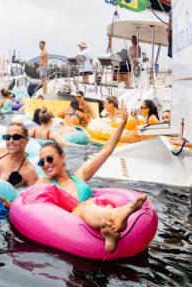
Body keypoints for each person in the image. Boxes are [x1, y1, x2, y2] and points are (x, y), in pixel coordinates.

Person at [35, 103, 147, 253]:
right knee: (85, 206)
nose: (45, 165)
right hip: (73, 225)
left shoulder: (80, 176)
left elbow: (106, 150)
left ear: (62, 157)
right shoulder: (45, 183)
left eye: (49, 159)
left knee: (102, 204)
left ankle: (110, 232)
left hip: (96, 215)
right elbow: (30, 201)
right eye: (41, 162)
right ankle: (115, 216)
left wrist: (123, 123)